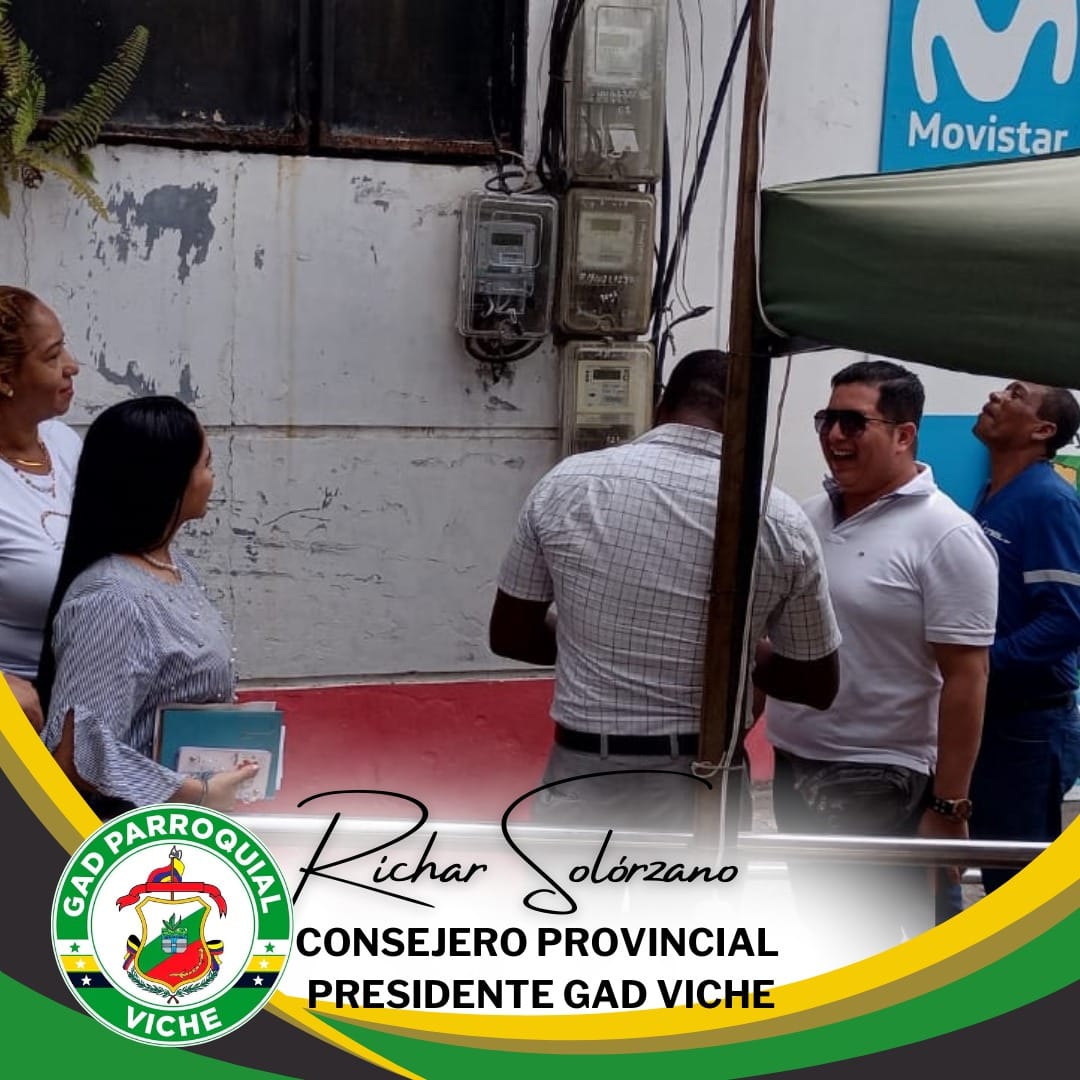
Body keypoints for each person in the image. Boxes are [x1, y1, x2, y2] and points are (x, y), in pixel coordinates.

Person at [489, 349, 841, 831]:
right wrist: (728, 652)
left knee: (571, 885)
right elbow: (815, 683)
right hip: (702, 781)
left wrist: (604, 639)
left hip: (583, 772)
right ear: (748, 418)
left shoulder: (566, 485)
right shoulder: (778, 518)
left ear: (659, 405)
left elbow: (510, 635)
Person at [766, 360, 999, 950]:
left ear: (904, 435)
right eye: (826, 420)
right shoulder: (806, 517)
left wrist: (949, 807)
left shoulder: (946, 535)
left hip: (883, 778)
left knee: (895, 949)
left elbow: (967, 677)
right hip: (794, 764)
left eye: (853, 422)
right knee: (826, 939)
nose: (833, 436)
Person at [38, 396, 257, 815]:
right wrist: (198, 792)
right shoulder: (112, 598)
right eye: (205, 463)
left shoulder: (175, 569)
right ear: (168, 479)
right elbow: (76, 754)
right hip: (127, 833)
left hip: (182, 820)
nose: (212, 476)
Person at [969, 380, 1080, 893]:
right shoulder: (994, 493)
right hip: (988, 714)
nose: (997, 396)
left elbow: (1068, 618)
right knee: (979, 858)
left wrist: (980, 665)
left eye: (1015, 394)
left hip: (1027, 727)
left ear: (1043, 430)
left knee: (1016, 881)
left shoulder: (1049, 501)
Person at [0, 286, 81, 732]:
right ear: (4, 378)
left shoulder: (64, 444)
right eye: (52, 357)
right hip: (17, 717)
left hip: (81, 696)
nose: (72, 365)